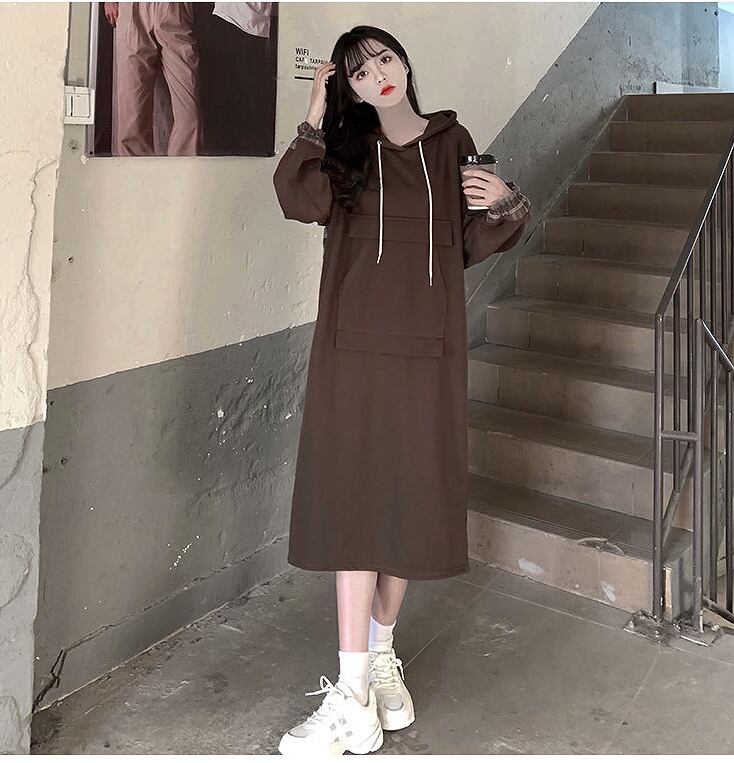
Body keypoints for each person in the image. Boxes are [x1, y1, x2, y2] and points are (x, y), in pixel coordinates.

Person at [272, 26, 531, 755]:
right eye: (358, 72)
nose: (377, 75)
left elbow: (469, 242)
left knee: (410, 501)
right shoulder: (344, 153)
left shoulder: (452, 144)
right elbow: (297, 199)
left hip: (428, 354)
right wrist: (315, 115)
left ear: (405, 63)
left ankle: (381, 651)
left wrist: (507, 201)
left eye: (384, 59)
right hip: (351, 355)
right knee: (355, 504)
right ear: (348, 89)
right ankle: (353, 694)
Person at [104, 2, 202, 156]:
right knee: (131, 117)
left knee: (189, 112)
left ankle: (183, 170)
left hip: (174, 9)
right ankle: (136, 171)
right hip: (131, 9)